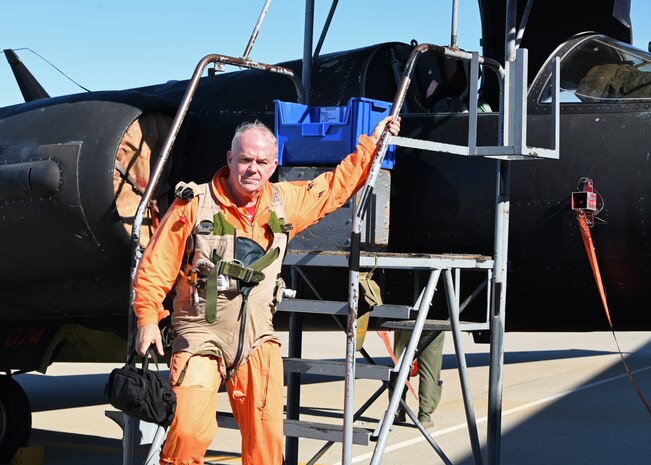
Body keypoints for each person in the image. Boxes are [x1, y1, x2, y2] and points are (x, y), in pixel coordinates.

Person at [133, 115, 400, 465]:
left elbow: (335, 188)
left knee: (266, 445)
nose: (252, 169)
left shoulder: (284, 202)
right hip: (200, 336)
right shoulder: (194, 203)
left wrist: (372, 144)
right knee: (187, 434)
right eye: (245, 160)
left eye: (262, 162)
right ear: (229, 159)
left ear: (274, 165)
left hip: (258, 338)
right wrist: (148, 317)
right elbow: (156, 264)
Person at [393, 329, 445, 428]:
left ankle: (397, 411)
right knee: (429, 370)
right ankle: (424, 416)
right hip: (434, 320)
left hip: (405, 322)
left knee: (400, 364)